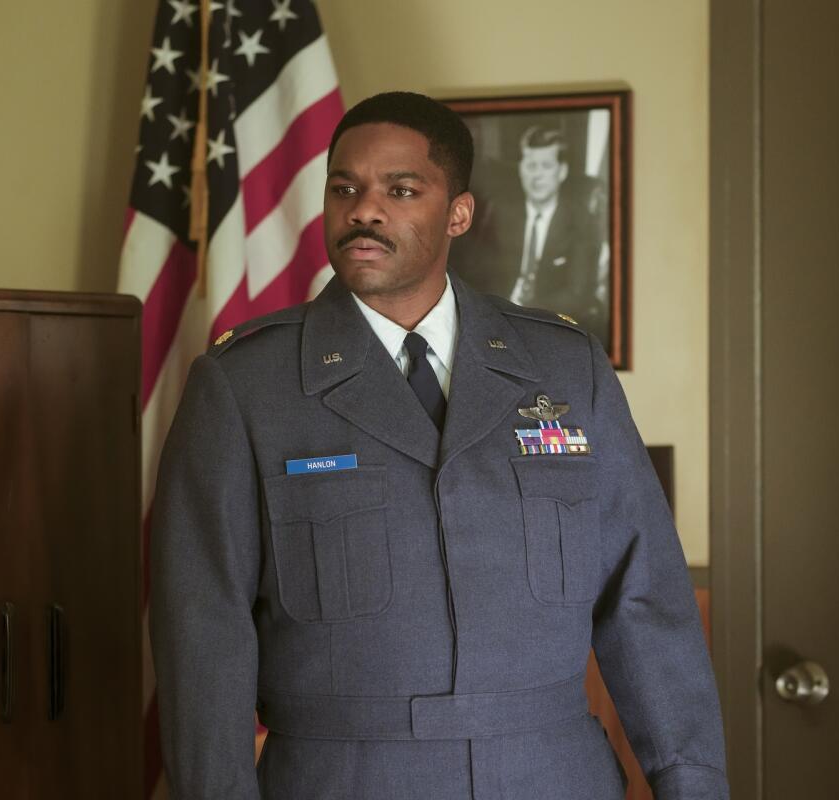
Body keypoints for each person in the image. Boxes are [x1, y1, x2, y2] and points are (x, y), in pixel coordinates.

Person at [150, 91, 728, 799]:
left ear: (458, 212)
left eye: (400, 190)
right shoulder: (244, 387)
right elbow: (202, 638)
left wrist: (691, 785)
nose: (365, 210)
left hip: (552, 774)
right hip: (344, 778)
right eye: (345, 189)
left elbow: (645, 601)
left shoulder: (563, 368)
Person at [453, 123, 608, 343]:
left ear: (561, 171)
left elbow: (578, 293)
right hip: (495, 327)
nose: (537, 176)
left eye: (545, 166)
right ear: (520, 168)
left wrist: (520, 311)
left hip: (554, 329)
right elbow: (478, 274)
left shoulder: (582, 220)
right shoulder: (499, 212)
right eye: (530, 165)